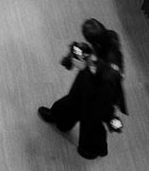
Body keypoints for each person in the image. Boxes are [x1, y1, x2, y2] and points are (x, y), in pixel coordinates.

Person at [38, 19, 126, 160]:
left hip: (98, 98)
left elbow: (107, 94)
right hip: (85, 87)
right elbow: (91, 60)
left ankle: (89, 150)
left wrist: (107, 114)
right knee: (69, 104)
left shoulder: (111, 69)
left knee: (90, 124)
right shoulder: (107, 38)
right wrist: (82, 54)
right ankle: (60, 119)